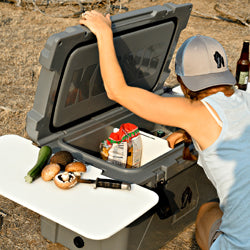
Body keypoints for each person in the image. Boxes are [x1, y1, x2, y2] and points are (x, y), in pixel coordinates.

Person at [80, 11, 250, 250]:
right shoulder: (245, 95)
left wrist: (104, 32)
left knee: (207, 212)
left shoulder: (194, 112)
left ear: (182, 80)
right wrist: (191, 135)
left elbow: (116, 91)